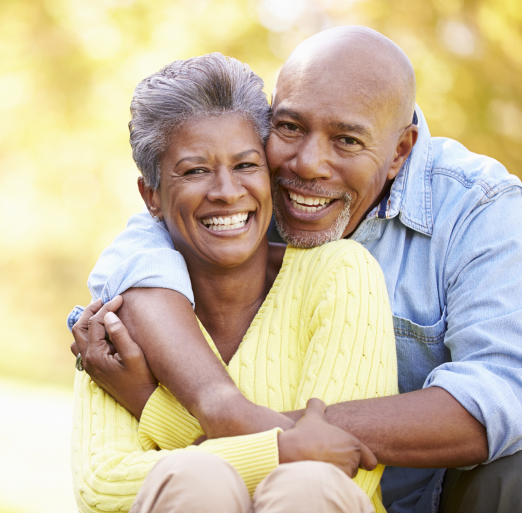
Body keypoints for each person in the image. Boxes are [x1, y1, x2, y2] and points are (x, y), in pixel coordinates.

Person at [72, 26, 522, 513]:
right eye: (289, 128)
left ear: (399, 152)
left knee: (512, 471)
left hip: (422, 492)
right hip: (225, 492)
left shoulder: (479, 210)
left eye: (347, 140)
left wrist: (168, 407)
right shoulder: (218, 211)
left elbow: (500, 395)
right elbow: (144, 246)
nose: (307, 164)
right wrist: (247, 428)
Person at [70, 52, 399, 513]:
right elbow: (104, 486)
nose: (226, 191)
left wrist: (150, 404)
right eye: (195, 170)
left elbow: (341, 471)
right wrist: (282, 451)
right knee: (194, 480)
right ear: (151, 196)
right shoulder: (121, 314)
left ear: (269, 172)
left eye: (246, 165)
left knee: (304, 486)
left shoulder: (340, 273)